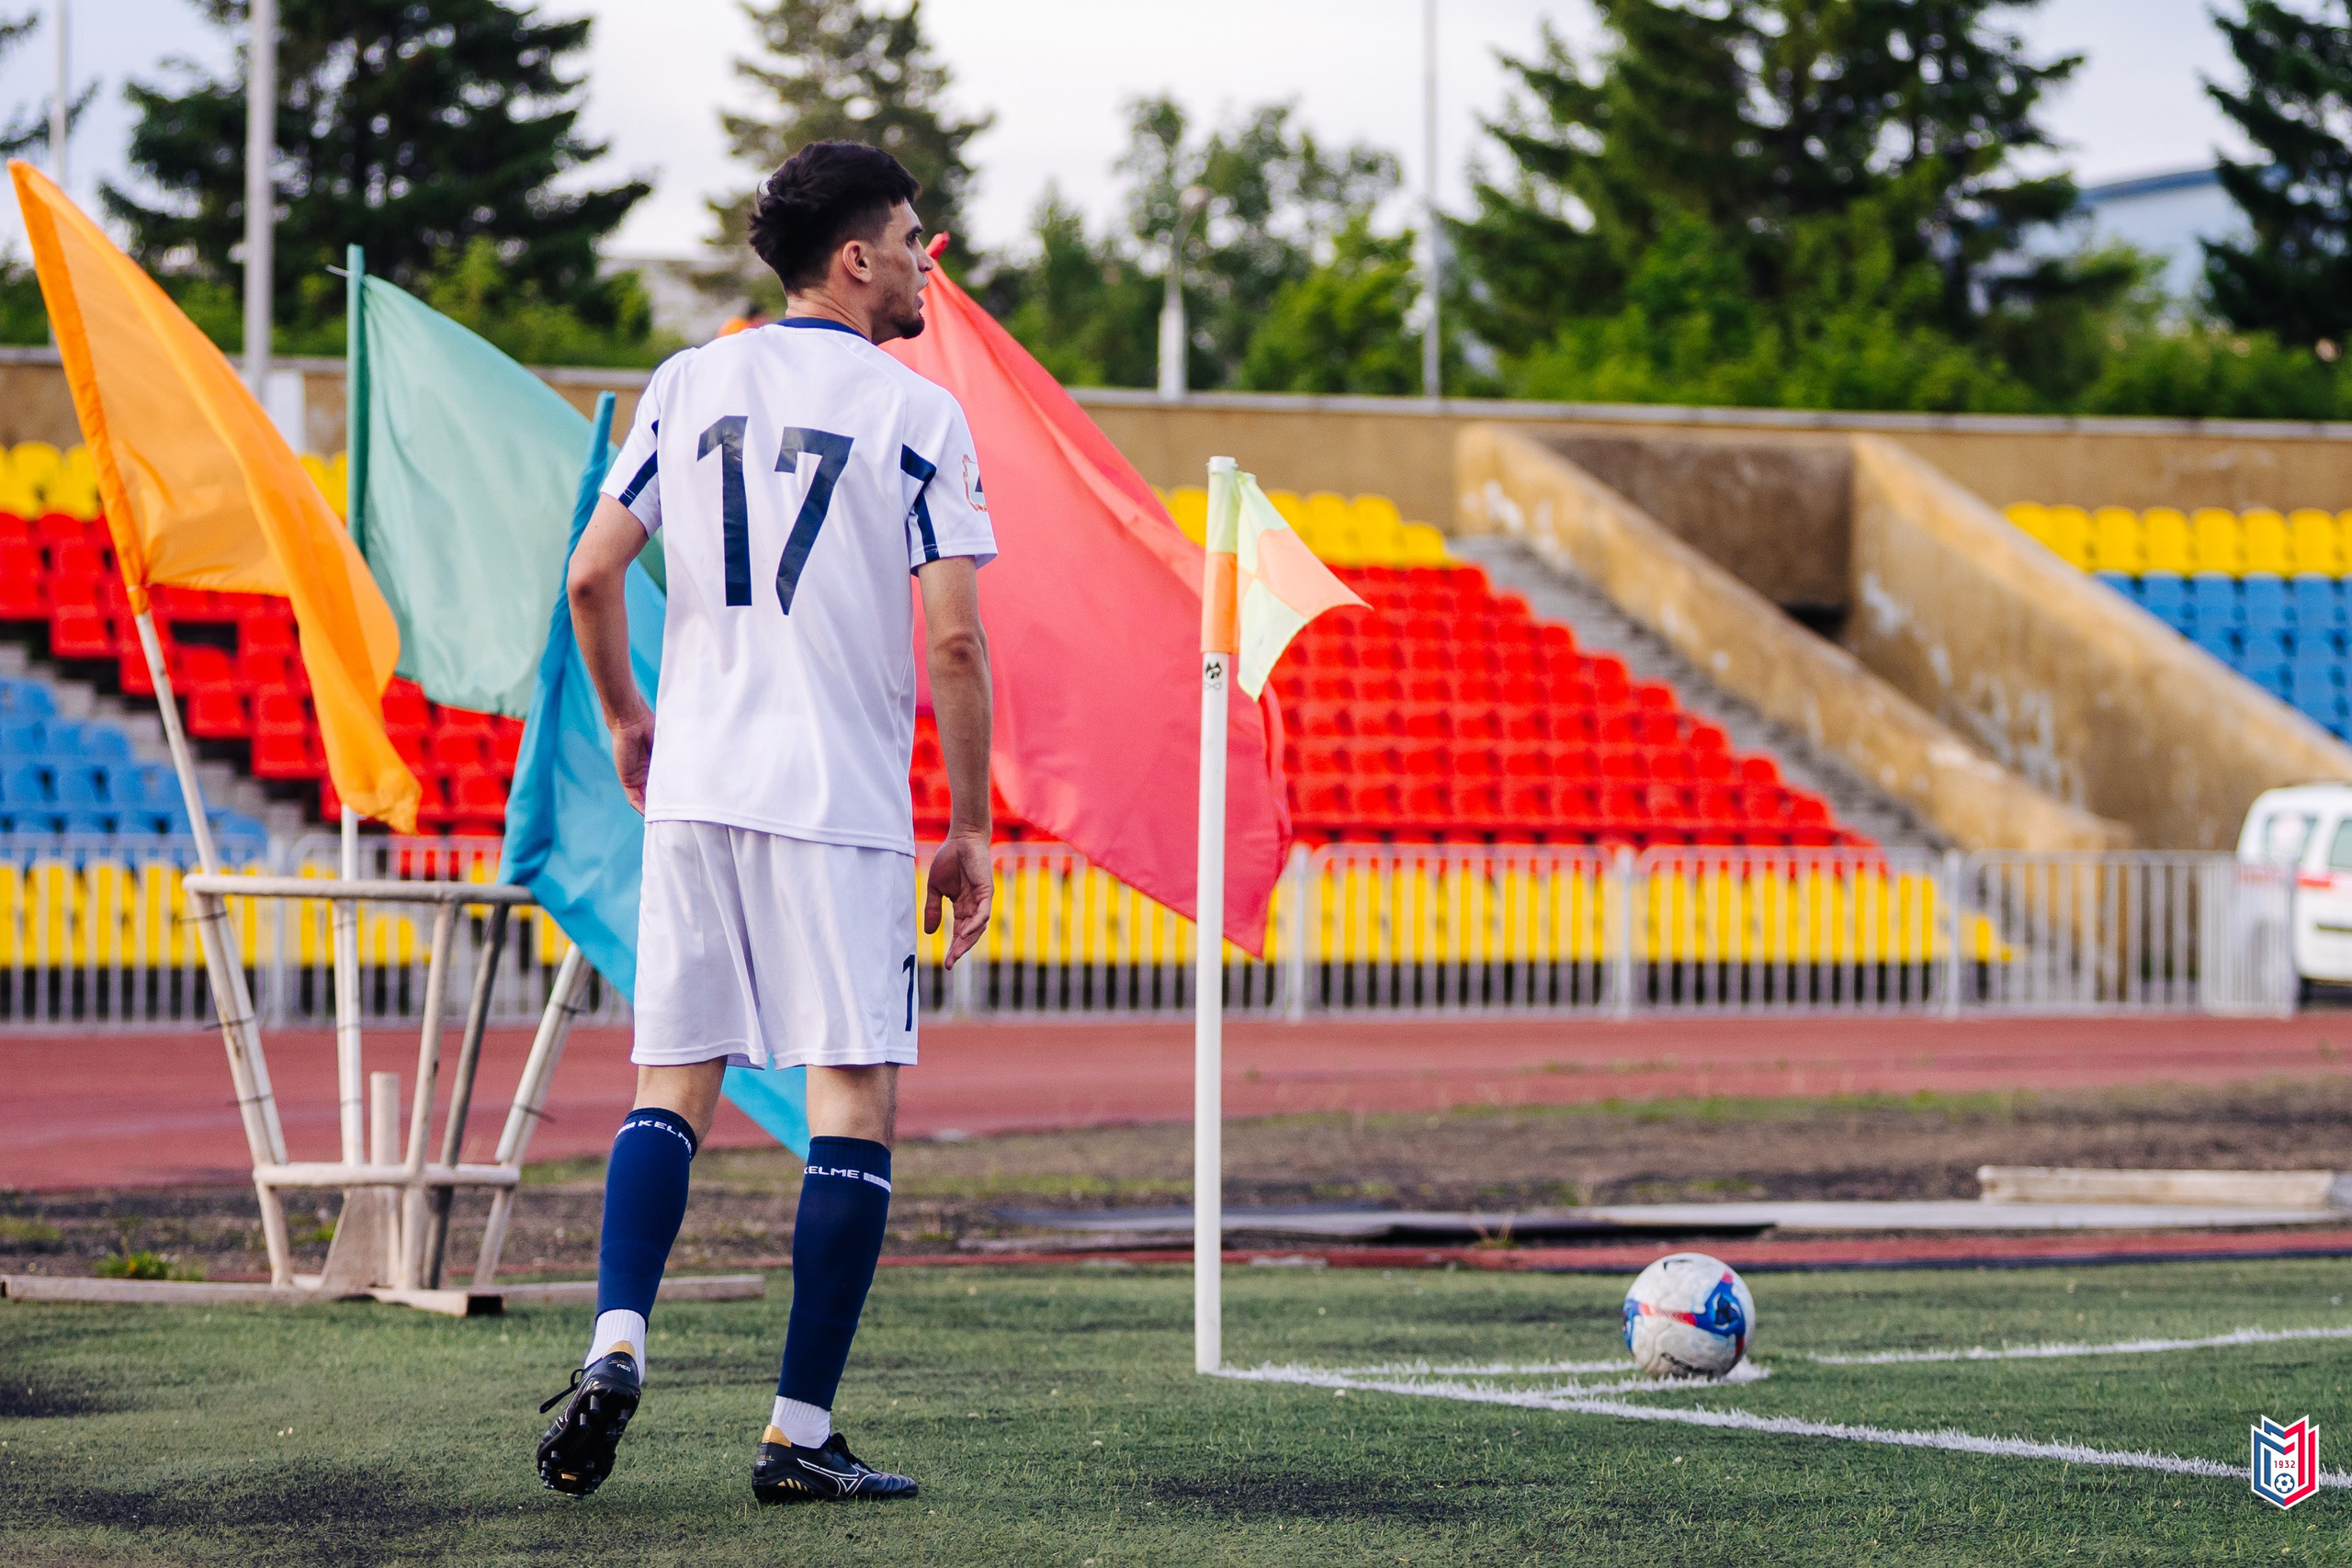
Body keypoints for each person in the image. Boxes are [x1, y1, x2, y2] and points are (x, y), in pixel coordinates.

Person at [534, 139, 996, 1505]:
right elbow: (958, 646)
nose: (927, 259)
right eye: (914, 237)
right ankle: (797, 1431)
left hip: (697, 789)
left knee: (673, 1076)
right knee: (851, 1097)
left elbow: (590, 577)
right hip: (838, 796)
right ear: (856, 259)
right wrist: (968, 828)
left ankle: (617, 1340)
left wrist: (629, 718)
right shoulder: (920, 415)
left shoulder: (690, 380)